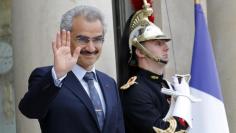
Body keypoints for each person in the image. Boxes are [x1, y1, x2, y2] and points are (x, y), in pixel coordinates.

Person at [19, 5, 125, 133]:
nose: (91, 48)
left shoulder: (109, 82)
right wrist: (58, 74)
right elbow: (30, 110)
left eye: (97, 39)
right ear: (66, 38)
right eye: (82, 39)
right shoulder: (48, 77)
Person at [120, 1, 193, 133]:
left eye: (164, 42)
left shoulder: (165, 84)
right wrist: (183, 101)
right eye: (158, 43)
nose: (166, 47)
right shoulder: (136, 91)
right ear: (140, 51)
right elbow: (164, 131)